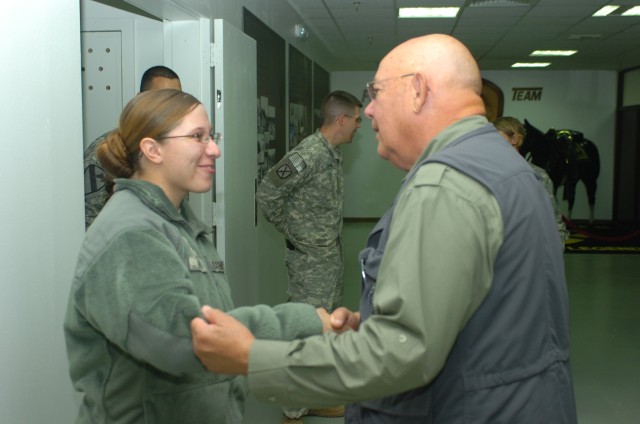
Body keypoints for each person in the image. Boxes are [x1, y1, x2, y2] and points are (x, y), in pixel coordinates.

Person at [190, 34, 578, 424]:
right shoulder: (503, 166)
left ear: (418, 89)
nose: (370, 111)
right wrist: (379, 322)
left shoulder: (445, 185)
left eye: (375, 93)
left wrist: (252, 357)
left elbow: (403, 352)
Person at [64, 89, 332, 424]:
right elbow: (184, 340)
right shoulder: (132, 234)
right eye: (197, 137)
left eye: (211, 136)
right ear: (152, 149)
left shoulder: (178, 223)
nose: (214, 150)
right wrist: (302, 321)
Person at [256, 90, 362, 422]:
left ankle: (310, 398)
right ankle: (291, 410)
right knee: (303, 330)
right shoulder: (308, 154)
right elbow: (267, 191)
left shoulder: (331, 153)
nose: (360, 127)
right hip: (310, 261)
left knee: (323, 328)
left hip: (328, 256)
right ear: (342, 119)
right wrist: (295, 232)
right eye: (357, 120)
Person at [84, 65, 182, 229]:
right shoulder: (107, 149)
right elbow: (90, 220)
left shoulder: (177, 150)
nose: (169, 106)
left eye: (176, 98)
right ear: (141, 99)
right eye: (160, 97)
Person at [494, 116, 570, 242]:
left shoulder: (537, 176)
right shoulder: (484, 172)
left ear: (515, 139)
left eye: (496, 138)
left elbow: (554, 222)